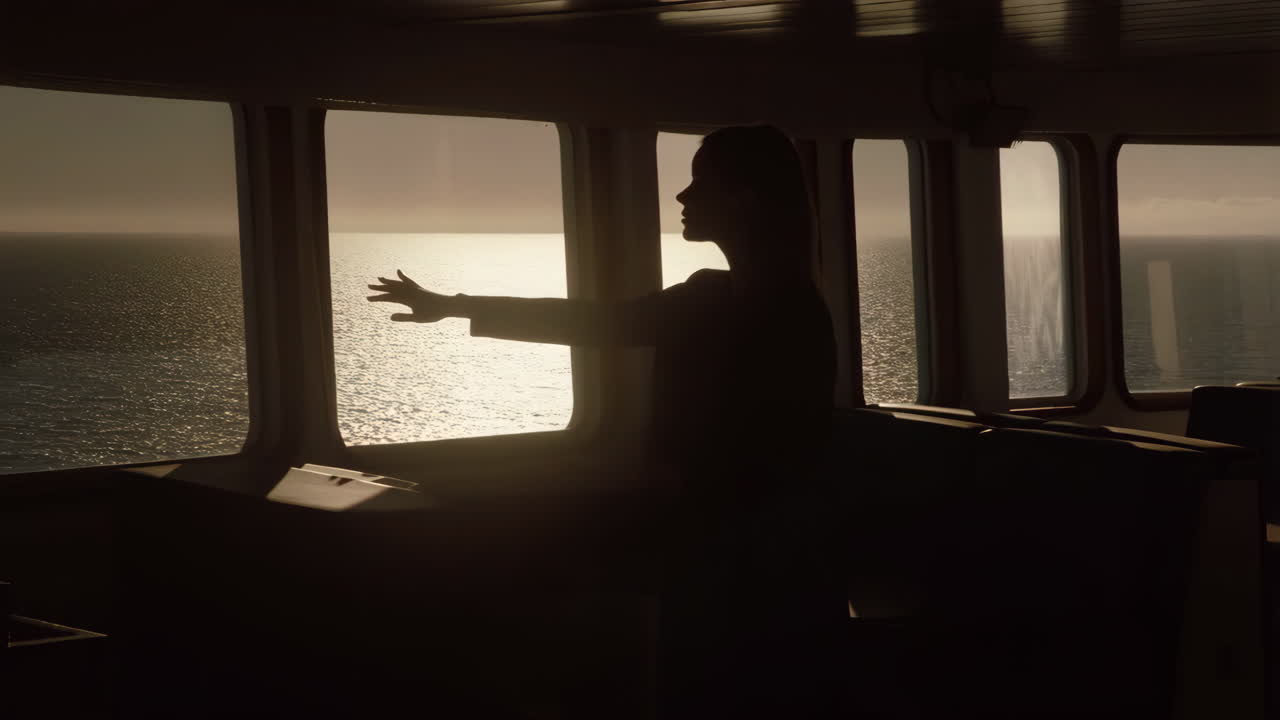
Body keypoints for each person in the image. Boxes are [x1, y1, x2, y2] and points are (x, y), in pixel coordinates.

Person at [368, 125, 844, 718]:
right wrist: (457, 306)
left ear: (744, 199)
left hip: (747, 560)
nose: (682, 198)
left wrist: (455, 307)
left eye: (700, 185)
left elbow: (779, 447)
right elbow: (598, 322)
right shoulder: (740, 299)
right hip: (741, 551)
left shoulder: (748, 306)